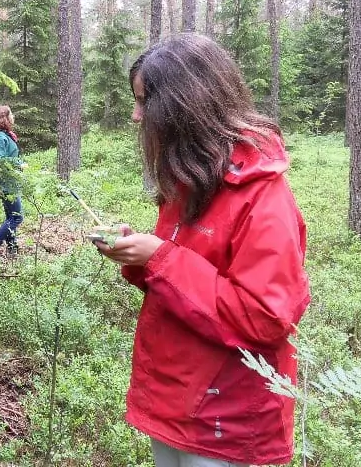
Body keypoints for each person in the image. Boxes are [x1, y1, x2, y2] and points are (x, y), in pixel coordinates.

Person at [94, 33, 310, 467]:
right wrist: (140, 257)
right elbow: (191, 283)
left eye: (144, 102)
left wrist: (159, 258)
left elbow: (266, 317)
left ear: (184, 105)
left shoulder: (261, 194)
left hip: (228, 415)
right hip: (177, 399)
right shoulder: (190, 179)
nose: (136, 116)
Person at [0, 105, 24, 258]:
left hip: (7, 182)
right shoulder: (0, 137)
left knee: (11, 216)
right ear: (4, 118)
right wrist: (18, 163)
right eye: (10, 115)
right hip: (6, 184)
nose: (12, 117)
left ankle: (12, 248)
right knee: (17, 217)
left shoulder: (2, 136)